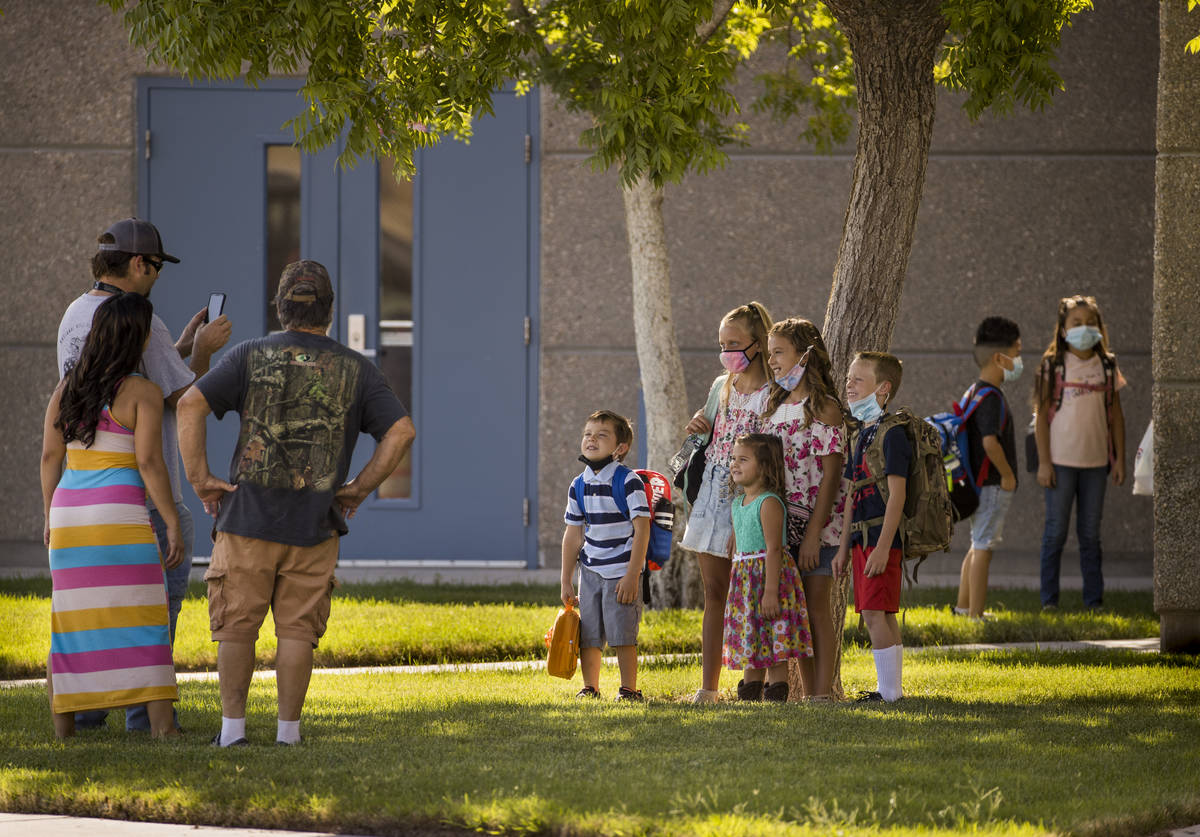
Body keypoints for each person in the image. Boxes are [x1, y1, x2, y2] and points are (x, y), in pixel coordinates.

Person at [178, 260, 415, 746]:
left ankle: (232, 732)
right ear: (329, 310)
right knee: (297, 632)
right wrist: (357, 489)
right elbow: (401, 432)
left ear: (281, 308)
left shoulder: (249, 355)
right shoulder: (357, 369)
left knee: (237, 628)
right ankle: (288, 734)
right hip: (315, 523)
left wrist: (201, 480)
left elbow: (188, 404)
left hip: (245, 518)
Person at [57, 217, 231, 732]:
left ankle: (86, 711)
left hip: (80, 491)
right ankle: (146, 716)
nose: (157, 276)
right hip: (140, 495)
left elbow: (111, 378)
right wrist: (201, 353)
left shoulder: (75, 314)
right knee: (156, 607)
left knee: (93, 609)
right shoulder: (144, 320)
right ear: (139, 263)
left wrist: (174, 349)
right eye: (156, 266)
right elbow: (179, 396)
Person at [41, 293, 184, 738]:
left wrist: (49, 517)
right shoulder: (143, 392)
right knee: (144, 617)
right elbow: (148, 463)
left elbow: (50, 457)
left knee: (70, 620)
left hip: (68, 514)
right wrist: (172, 520)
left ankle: (65, 729)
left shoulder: (66, 389)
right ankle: (162, 729)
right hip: (119, 516)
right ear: (136, 340)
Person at [680, 302, 774, 704]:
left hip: (751, 497)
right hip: (712, 492)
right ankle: (710, 686)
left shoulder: (774, 391)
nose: (727, 352)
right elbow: (710, 433)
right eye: (721, 344)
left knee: (755, 590)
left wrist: (747, 513)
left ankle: (764, 681)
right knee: (714, 590)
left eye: (734, 343)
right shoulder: (722, 385)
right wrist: (699, 427)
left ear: (759, 342)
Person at [763, 318, 847, 701]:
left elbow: (832, 476)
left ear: (805, 354)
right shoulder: (775, 405)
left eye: (779, 351)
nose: (772, 360)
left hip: (819, 525)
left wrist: (814, 533)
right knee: (794, 611)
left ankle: (822, 693)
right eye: (770, 353)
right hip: (783, 526)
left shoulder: (824, 408)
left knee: (816, 608)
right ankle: (807, 690)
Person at [1033, 295, 1126, 611]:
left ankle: (1094, 601)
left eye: (1090, 323)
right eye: (1076, 323)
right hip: (1060, 465)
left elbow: (1116, 416)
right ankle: (1049, 601)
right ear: (1062, 330)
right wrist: (1044, 463)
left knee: (1090, 535)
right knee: (1055, 534)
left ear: (1100, 328)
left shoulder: (1107, 366)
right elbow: (1041, 419)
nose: (1084, 328)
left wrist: (1120, 460)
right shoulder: (1052, 366)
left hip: (1097, 465)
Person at [834, 351, 909, 704]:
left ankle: (889, 693)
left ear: (883, 389)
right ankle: (890, 690)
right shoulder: (861, 433)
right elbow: (851, 492)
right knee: (879, 612)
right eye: (849, 378)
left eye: (858, 379)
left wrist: (882, 546)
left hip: (881, 540)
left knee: (876, 613)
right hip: (861, 539)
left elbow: (898, 494)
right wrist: (842, 547)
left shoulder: (892, 434)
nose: (849, 384)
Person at [560, 410, 650, 701]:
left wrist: (632, 575)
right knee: (589, 634)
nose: (591, 440)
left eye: (602, 435)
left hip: (622, 571)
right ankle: (591, 687)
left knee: (622, 633)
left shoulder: (628, 481)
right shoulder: (579, 485)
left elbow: (642, 530)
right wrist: (566, 581)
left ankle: (629, 690)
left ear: (620, 448)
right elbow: (573, 535)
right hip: (590, 571)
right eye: (587, 434)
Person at [723, 433, 810, 702]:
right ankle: (749, 695)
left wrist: (771, 591)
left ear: (764, 466)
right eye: (733, 459)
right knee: (751, 637)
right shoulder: (738, 503)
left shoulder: (769, 502)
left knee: (774, 637)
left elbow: (773, 549)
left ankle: (776, 693)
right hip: (746, 583)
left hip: (769, 579)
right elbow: (739, 548)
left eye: (743, 459)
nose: (734, 464)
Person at [954, 317, 1022, 620]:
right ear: (999, 357)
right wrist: (1007, 475)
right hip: (993, 484)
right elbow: (990, 442)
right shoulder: (992, 397)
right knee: (984, 547)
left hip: (977, 483)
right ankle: (976, 616)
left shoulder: (974, 391)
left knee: (976, 544)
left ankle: (963, 607)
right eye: (1017, 352)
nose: (1019, 360)